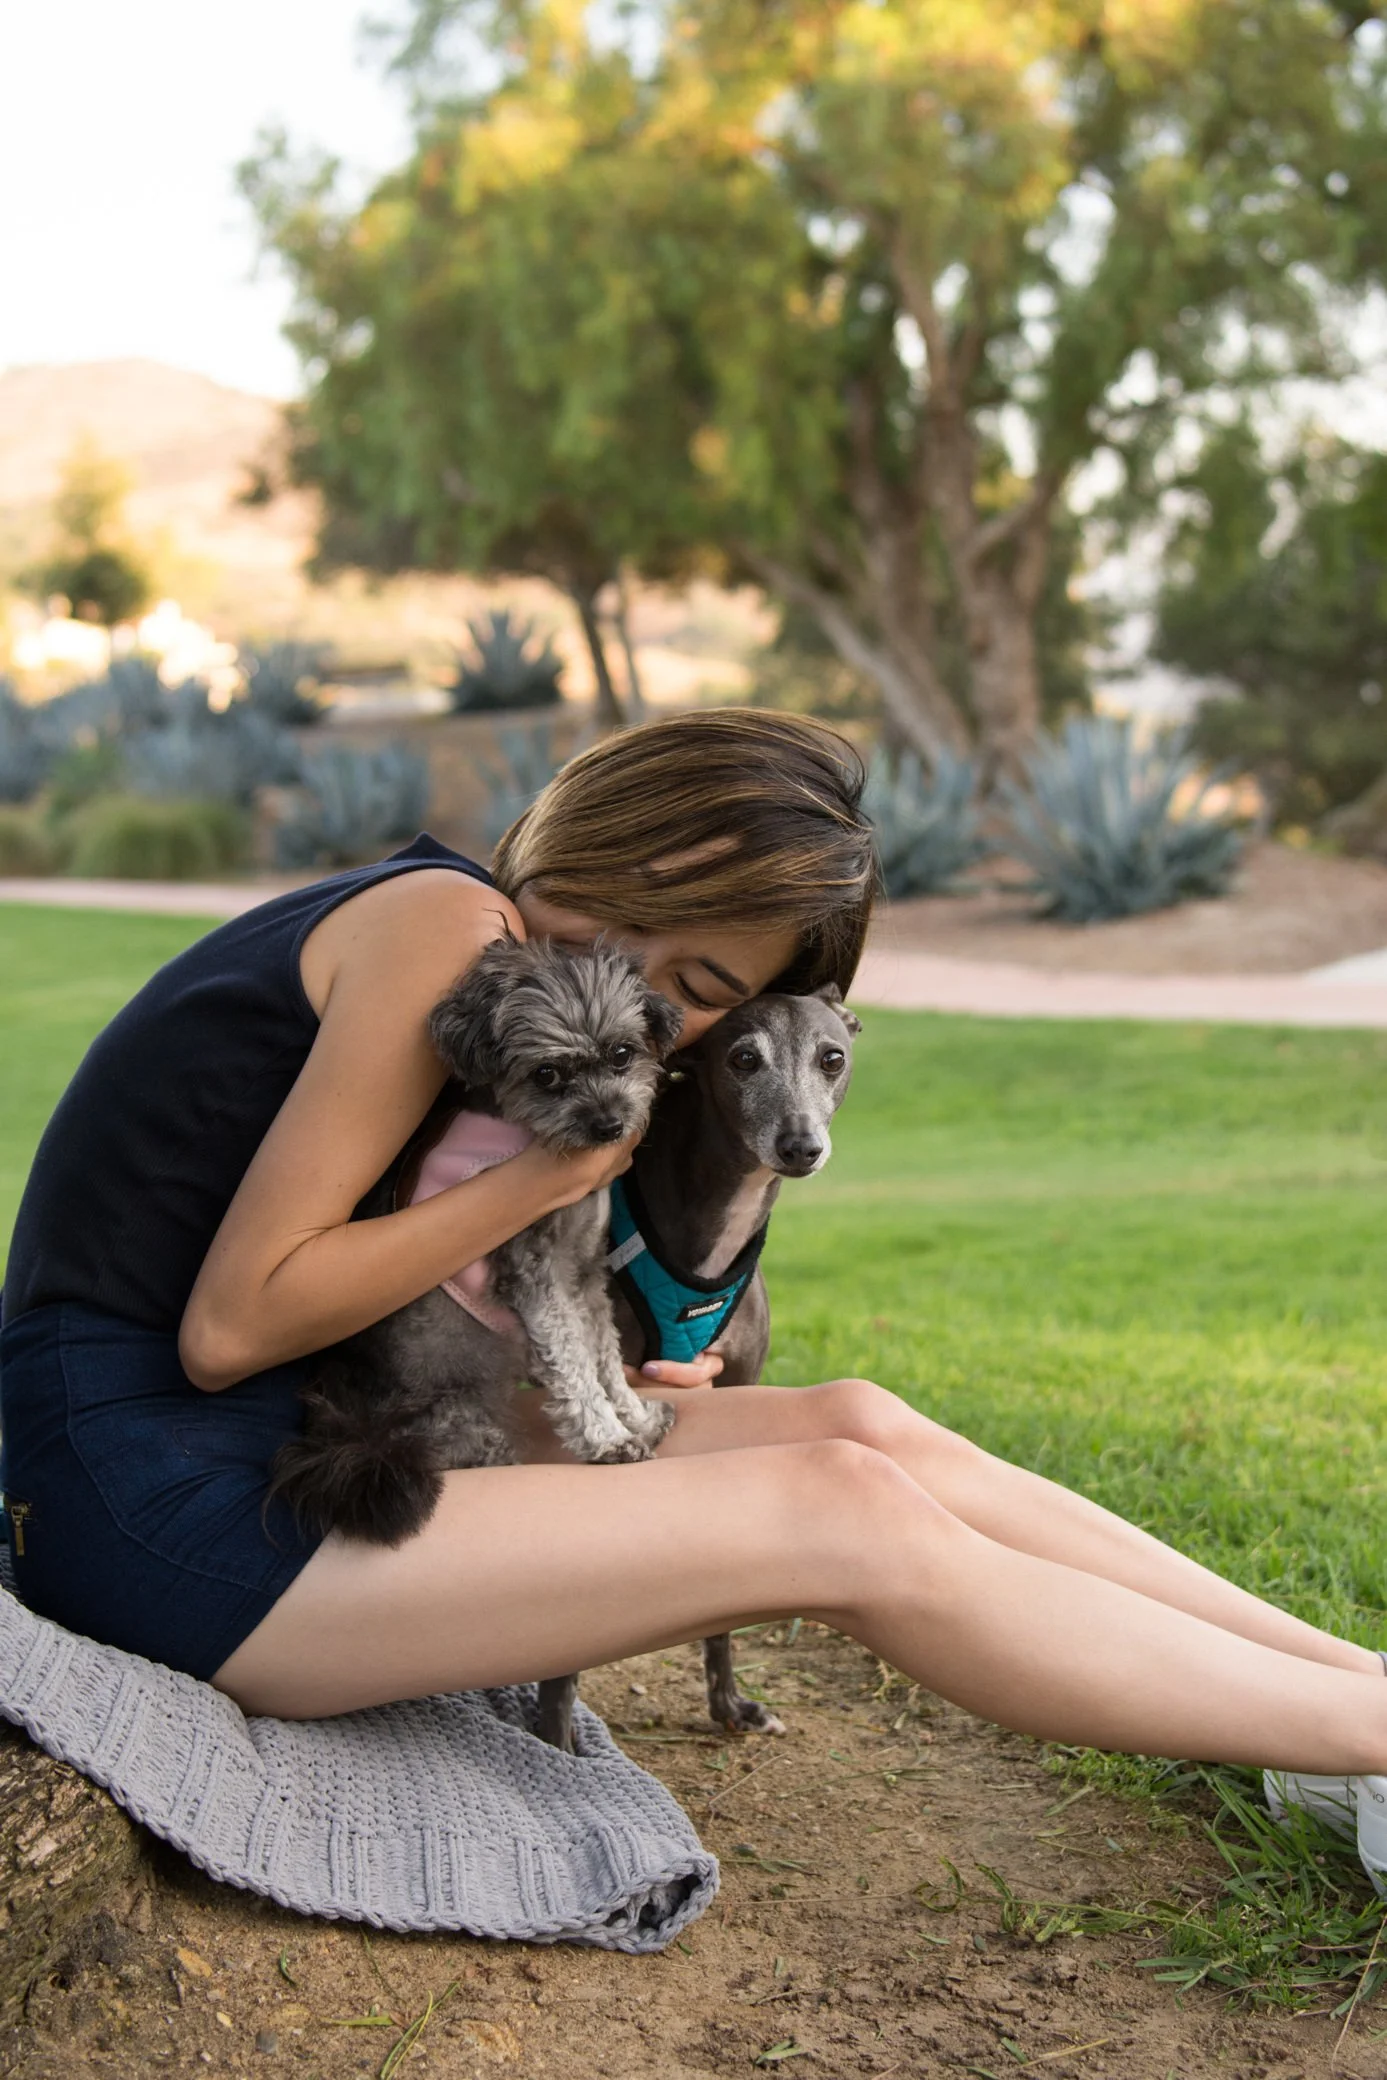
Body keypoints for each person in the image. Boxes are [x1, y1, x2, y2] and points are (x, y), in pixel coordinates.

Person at [1, 711, 1383, 1837]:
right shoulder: (445, 924)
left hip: (306, 1438)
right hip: (155, 1505)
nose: (628, 969)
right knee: (840, 1509)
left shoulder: (486, 952)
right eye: (633, 904)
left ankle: (1352, 1699)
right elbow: (234, 1325)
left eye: (697, 985)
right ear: (587, 823)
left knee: (861, 1426)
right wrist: (542, 1181)